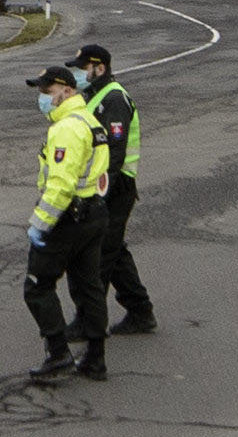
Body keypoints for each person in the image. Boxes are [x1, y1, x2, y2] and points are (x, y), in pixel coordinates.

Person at [21, 62, 114, 383]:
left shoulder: (66, 128)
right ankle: (95, 358)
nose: (43, 98)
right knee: (89, 285)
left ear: (68, 90)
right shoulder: (89, 120)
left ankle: (58, 354)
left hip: (68, 218)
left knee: (37, 286)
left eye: (48, 92)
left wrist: (40, 224)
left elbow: (60, 186)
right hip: (93, 211)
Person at [71, 44, 154, 335]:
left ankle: (88, 322)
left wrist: (99, 194)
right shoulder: (96, 96)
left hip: (116, 187)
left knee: (99, 256)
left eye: (83, 68)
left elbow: (114, 153)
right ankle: (140, 310)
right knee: (113, 251)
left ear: (100, 68)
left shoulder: (114, 98)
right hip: (109, 186)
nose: (80, 74)